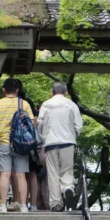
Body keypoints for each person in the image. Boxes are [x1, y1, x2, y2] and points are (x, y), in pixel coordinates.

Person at [0, 78, 34, 213]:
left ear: (4, 90)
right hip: (20, 144)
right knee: (21, 175)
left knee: (5, 175)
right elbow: (33, 122)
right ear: (17, 90)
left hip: (3, 142)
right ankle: (24, 206)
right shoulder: (23, 104)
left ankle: (2, 206)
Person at [37, 81, 83, 212]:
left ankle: (56, 203)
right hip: (68, 142)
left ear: (52, 92)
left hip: (51, 143)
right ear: (66, 92)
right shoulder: (71, 105)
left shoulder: (45, 105)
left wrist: (44, 138)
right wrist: (73, 135)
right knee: (67, 170)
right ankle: (68, 188)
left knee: (53, 173)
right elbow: (78, 124)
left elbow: (40, 124)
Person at [16, 83, 43, 211]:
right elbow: (35, 123)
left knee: (18, 174)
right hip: (29, 142)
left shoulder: (8, 103)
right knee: (32, 175)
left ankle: (21, 203)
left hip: (15, 143)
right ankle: (33, 205)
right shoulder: (28, 103)